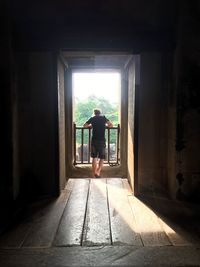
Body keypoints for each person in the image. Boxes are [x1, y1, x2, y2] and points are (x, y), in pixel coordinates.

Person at [83, 108, 113, 178]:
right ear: (100, 113)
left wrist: (91, 126)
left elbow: (84, 125)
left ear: (94, 113)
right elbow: (111, 125)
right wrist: (105, 126)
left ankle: (94, 173)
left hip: (94, 140)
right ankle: (98, 171)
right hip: (102, 140)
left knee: (94, 157)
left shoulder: (92, 118)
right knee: (101, 157)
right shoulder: (103, 118)